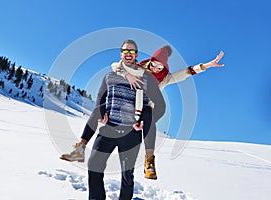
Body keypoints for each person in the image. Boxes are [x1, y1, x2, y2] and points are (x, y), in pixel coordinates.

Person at [60, 45, 225, 181]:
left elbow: (185, 74)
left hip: (144, 110)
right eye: (154, 64)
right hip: (125, 106)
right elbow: (115, 66)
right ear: (151, 61)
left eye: (160, 67)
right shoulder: (137, 69)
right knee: (98, 109)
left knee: (149, 115)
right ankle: (80, 148)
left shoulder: (163, 78)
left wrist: (206, 66)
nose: (156, 68)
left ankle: (149, 161)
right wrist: (126, 73)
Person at [63, 39, 166, 200]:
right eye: (125, 51)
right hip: (108, 130)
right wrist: (101, 114)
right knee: (94, 167)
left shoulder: (147, 79)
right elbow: (100, 98)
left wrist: (147, 122)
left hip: (131, 134)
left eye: (132, 51)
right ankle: (80, 150)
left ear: (136, 54)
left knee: (127, 176)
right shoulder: (110, 76)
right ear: (121, 54)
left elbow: (160, 106)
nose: (128, 54)